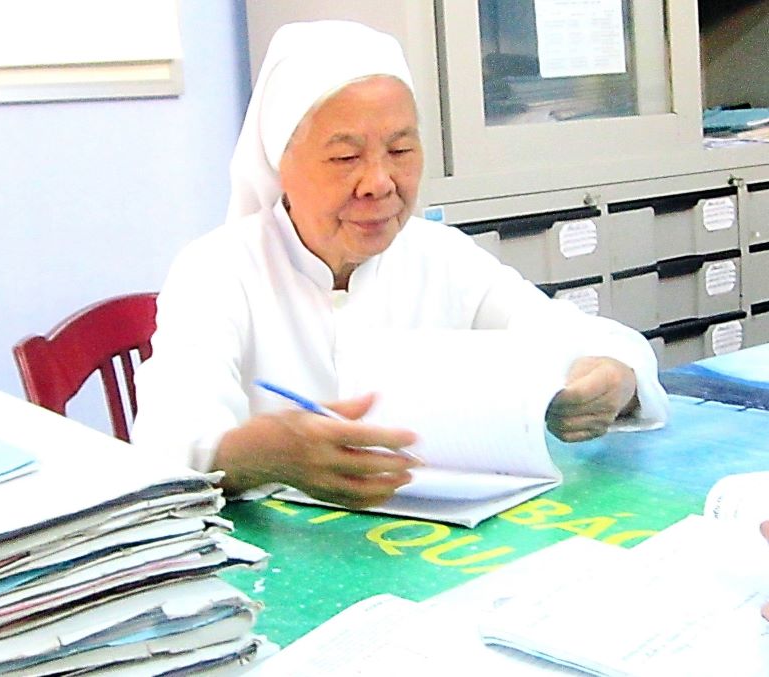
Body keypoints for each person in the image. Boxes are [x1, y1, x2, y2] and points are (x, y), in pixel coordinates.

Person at [131, 20, 669, 509]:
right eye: (345, 158)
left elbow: (578, 338)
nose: (379, 183)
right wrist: (261, 454)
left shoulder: (440, 255)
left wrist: (613, 378)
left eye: (401, 150)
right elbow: (167, 444)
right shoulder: (217, 271)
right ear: (280, 164)